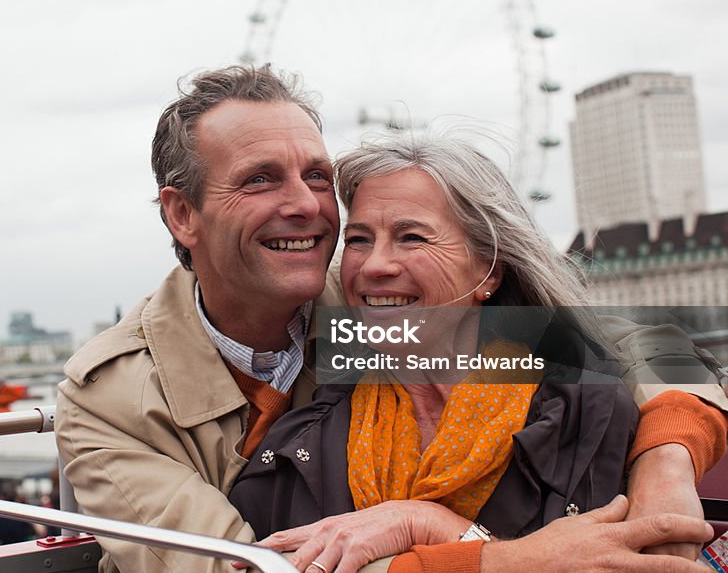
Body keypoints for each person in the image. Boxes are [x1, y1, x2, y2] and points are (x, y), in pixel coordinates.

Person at [55, 65, 728, 572]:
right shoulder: (108, 398)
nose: (308, 206)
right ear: (181, 214)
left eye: (316, 175)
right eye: (261, 178)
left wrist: (665, 467)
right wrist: (506, 559)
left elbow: (644, 345)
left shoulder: (373, 308)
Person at [231, 135, 726, 572]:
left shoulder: (584, 411)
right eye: (359, 240)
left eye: (411, 237)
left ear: (488, 272)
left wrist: (430, 527)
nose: (375, 265)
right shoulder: (301, 441)